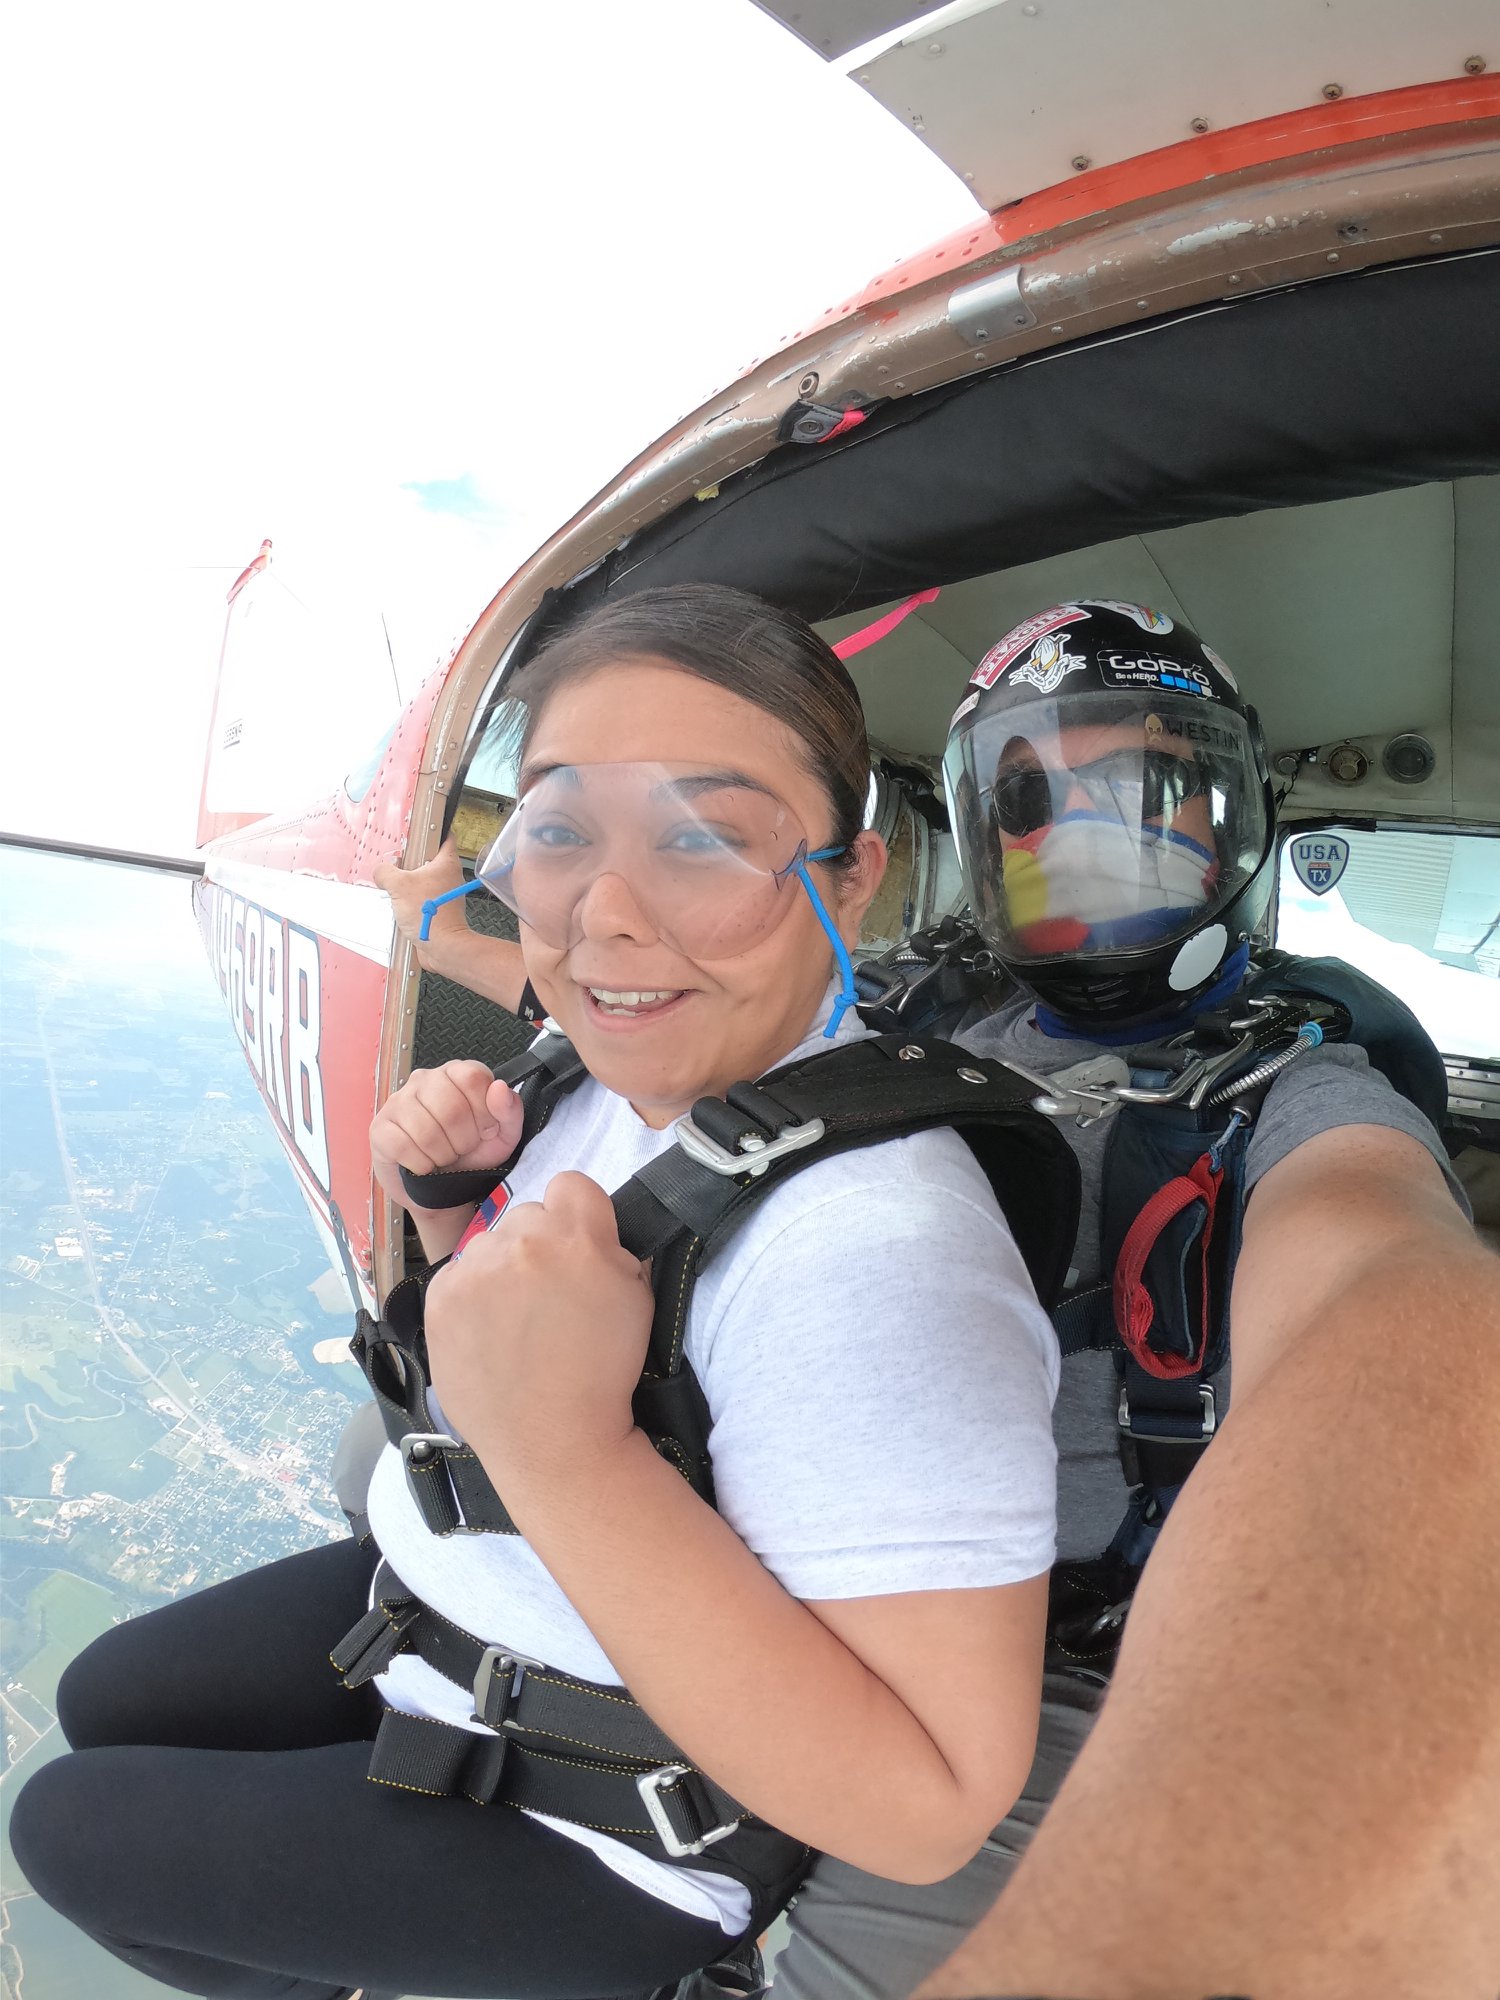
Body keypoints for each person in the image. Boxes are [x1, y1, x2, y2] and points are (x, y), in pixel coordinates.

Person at [10, 585, 1069, 2000]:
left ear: (852, 875)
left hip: (610, 1823)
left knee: (64, 1828)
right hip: (472, 1601)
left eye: (706, 838)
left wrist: (566, 1452)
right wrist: (457, 1211)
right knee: (102, 1701)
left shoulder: (882, 1258)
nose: (605, 923)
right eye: (562, 831)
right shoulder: (609, 1066)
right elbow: (573, 1341)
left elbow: (928, 1809)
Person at [768, 601, 1500, 2000]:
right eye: (1038, 796)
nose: (1092, 830)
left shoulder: (1302, 1093)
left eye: (1149, 789)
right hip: (788, 1558)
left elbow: (1389, 1293)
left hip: (1063, 1674)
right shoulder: (911, 1012)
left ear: (1234, 825)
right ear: (981, 836)